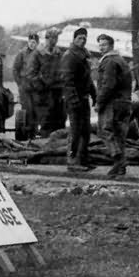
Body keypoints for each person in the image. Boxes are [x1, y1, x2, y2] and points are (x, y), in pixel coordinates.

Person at [93, 33, 133, 179]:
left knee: (105, 130)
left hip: (112, 102)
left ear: (111, 45)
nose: (101, 47)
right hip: (125, 102)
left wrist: (99, 102)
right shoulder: (121, 60)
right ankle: (120, 167)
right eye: (100, 45)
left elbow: (108, 85)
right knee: (119, 134)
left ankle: (118, 159)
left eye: (104, 45)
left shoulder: (109, 62)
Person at [60, 26, 97, 173]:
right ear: (74, 39)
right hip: (74, 101)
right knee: (75, 132)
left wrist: (94, 95)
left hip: (84, 99)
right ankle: (72, 160)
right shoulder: (69, 56)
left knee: (85, 131)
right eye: (79, 38)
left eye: (84, 38)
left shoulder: (84, 55)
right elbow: (67, 81)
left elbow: (88, 79)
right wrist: (74, 101)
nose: (82, 41)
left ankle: (83, 159)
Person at [30, 27, 66, 136]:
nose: (55, 40)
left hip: (58, 92)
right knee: (46, 122)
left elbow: (63, 70)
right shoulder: (37, 53)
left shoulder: (58, 53)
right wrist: (40, 88)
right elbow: (31, 74)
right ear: (47, 38)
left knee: (60, 121)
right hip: (44, 94)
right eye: (53, 38)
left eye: (56, 38)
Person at [12, 32, 38, 139]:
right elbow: (15, 69)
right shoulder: (22, 54)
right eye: (30, 42)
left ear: (37, 43)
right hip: (25, 86)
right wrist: (20, 83)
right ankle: (26, 134)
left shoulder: (40, 54)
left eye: (34, 42)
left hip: (36, 86)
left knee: (35, 109)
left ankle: (33, 133)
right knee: (27, 109)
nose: (32, 44)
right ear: (28, 42)